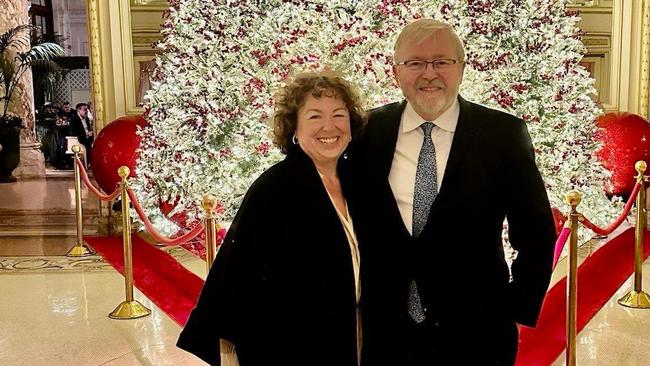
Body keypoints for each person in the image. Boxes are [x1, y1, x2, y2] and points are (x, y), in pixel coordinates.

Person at [354, 19, 556, 365]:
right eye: (415, 63)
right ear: (396, 72)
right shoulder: (366, 132)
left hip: (477, 332)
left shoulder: (503, 134)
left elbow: (536, 231)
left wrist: (515, 307)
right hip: (385, 333)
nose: (429, 74)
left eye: (442, 62)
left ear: (461, 68)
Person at [177, 71, 367, 366]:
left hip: (351, 341)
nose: (329, 126)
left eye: (339, 115)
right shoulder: (274, 189)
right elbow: (237, 275)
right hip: (292, 348)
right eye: (315, 117)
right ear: (295, 128)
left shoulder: (358, 183)